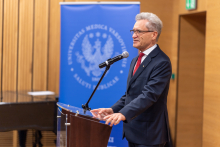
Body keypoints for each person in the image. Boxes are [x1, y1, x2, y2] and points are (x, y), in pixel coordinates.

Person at [91, 12, 172, 147]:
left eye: (139, 31)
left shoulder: (162, 62)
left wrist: (123, 114)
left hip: (149, 135)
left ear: (153, 34)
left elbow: (149, 95)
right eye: (133, 31)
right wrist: (114, 110)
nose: (134, 35)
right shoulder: (135, 60)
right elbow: (131, 94)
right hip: (133, 132)